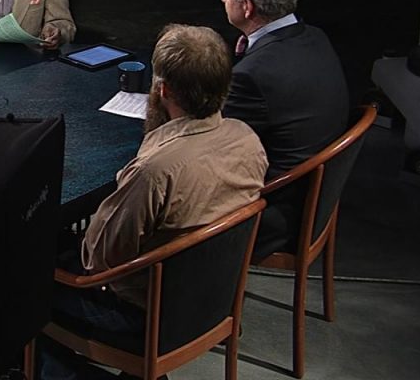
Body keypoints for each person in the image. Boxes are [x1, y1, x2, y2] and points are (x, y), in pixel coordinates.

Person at [41, 24, 267, 380]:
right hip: (208, 302)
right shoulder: (248, 141)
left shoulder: (154, 172)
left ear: (162, 90)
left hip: (141, 318)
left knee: (16, 275)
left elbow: (97, 259)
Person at [220, 0, 349, 259]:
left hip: (272, 218)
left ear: (247, 7)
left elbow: (213, 145)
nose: (222, 0)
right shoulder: (316, 38)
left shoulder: (253, 76)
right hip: (312, 205)